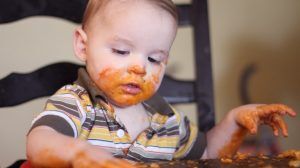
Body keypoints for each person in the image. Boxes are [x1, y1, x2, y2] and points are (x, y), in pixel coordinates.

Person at [26, 0, 297, 167]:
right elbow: (39, 143)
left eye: (155, 59)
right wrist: (80, 155)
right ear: (83, 46)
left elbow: (208, 155)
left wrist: (236, 122)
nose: (139, 67)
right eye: (121, 51)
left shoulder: (166, 119)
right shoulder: (76, 104)